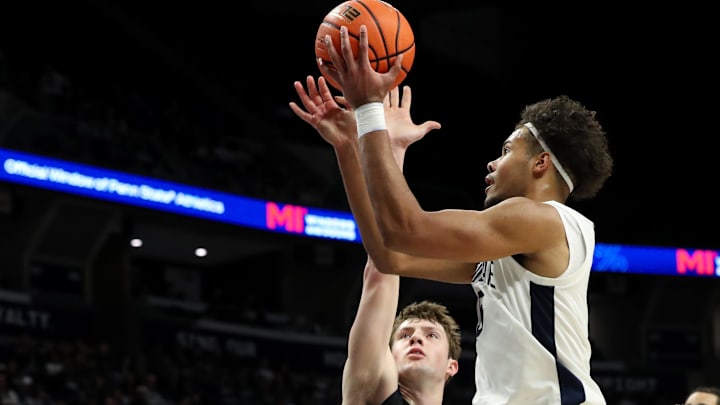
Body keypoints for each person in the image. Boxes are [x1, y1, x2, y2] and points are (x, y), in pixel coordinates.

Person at [293, 23, 613, 404]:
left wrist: (369, 112)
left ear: (541, 162)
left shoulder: (543, 220)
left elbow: (406, 229)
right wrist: (351, 148)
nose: (493, 163)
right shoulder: (508, 250)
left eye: (508, 150)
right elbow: (389, 254)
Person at [291, 78, 461, 404]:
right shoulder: (374, 387)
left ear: (451, 366)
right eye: (405, 335)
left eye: (430, 335)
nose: (416, 340)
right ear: (388, 354)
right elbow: (382, 267)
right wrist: (376, 147)